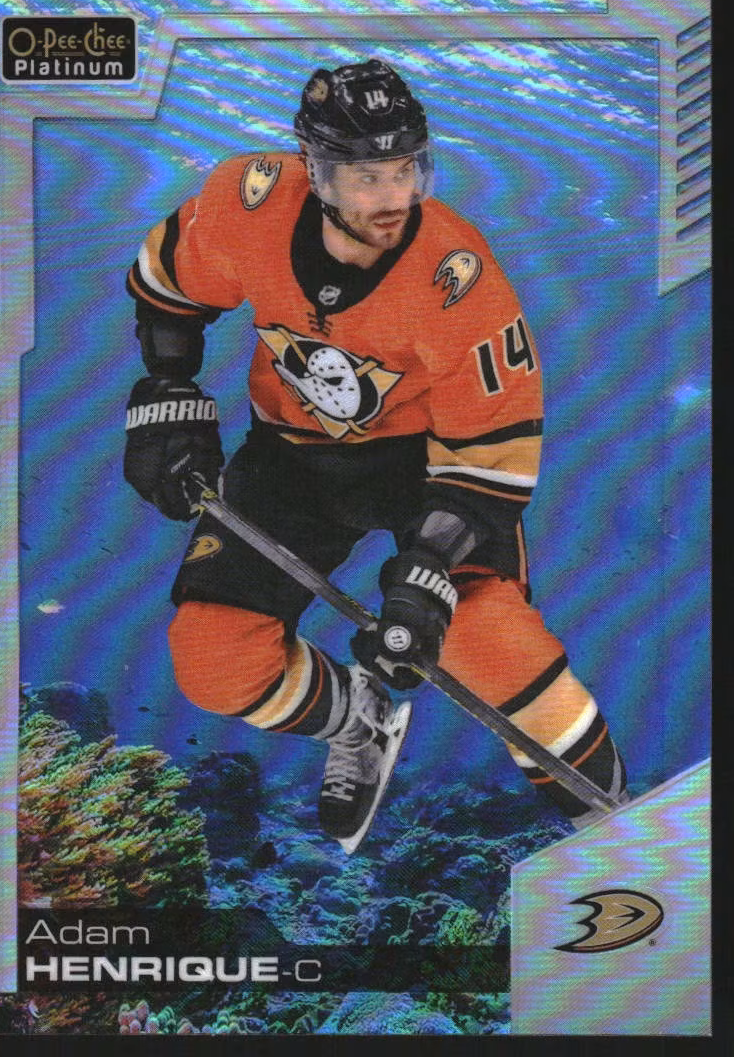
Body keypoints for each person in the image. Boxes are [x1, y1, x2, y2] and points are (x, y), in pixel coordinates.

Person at [123, 59, 628, 853]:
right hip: (290, 460)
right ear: (314, 168)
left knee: (487, 647)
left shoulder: (459, 278)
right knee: (213, 662)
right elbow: (168, 285)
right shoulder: (249, 200)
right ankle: (359, 719)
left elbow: (491, 457)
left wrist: (428, 567)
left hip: (430, 473)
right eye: (366, 176)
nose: (394, 197)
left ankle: (615, 833)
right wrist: (167, 390)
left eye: (406, 170)